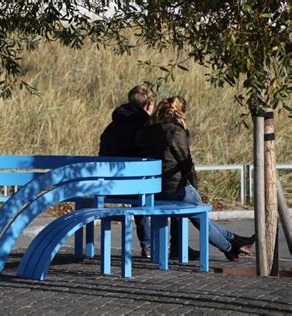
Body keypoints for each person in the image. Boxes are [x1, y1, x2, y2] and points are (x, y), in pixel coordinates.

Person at [136, 96, 255, 261]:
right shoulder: (175, 131)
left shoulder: (145, 132)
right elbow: (186, 163)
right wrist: (194, 186)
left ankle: (234, 241)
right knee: (199, 214)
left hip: (154, 190)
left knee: (199, 215)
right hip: (174, 188)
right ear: (179, 113)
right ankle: (230, 247)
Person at [99, 84, 156, 258]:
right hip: (134, 187)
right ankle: (155, 245)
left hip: (109, 187)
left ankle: (149, 245)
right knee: (174, 193)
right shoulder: (146, 127)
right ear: (148, 105)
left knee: (141, 189)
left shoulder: (112, 126)